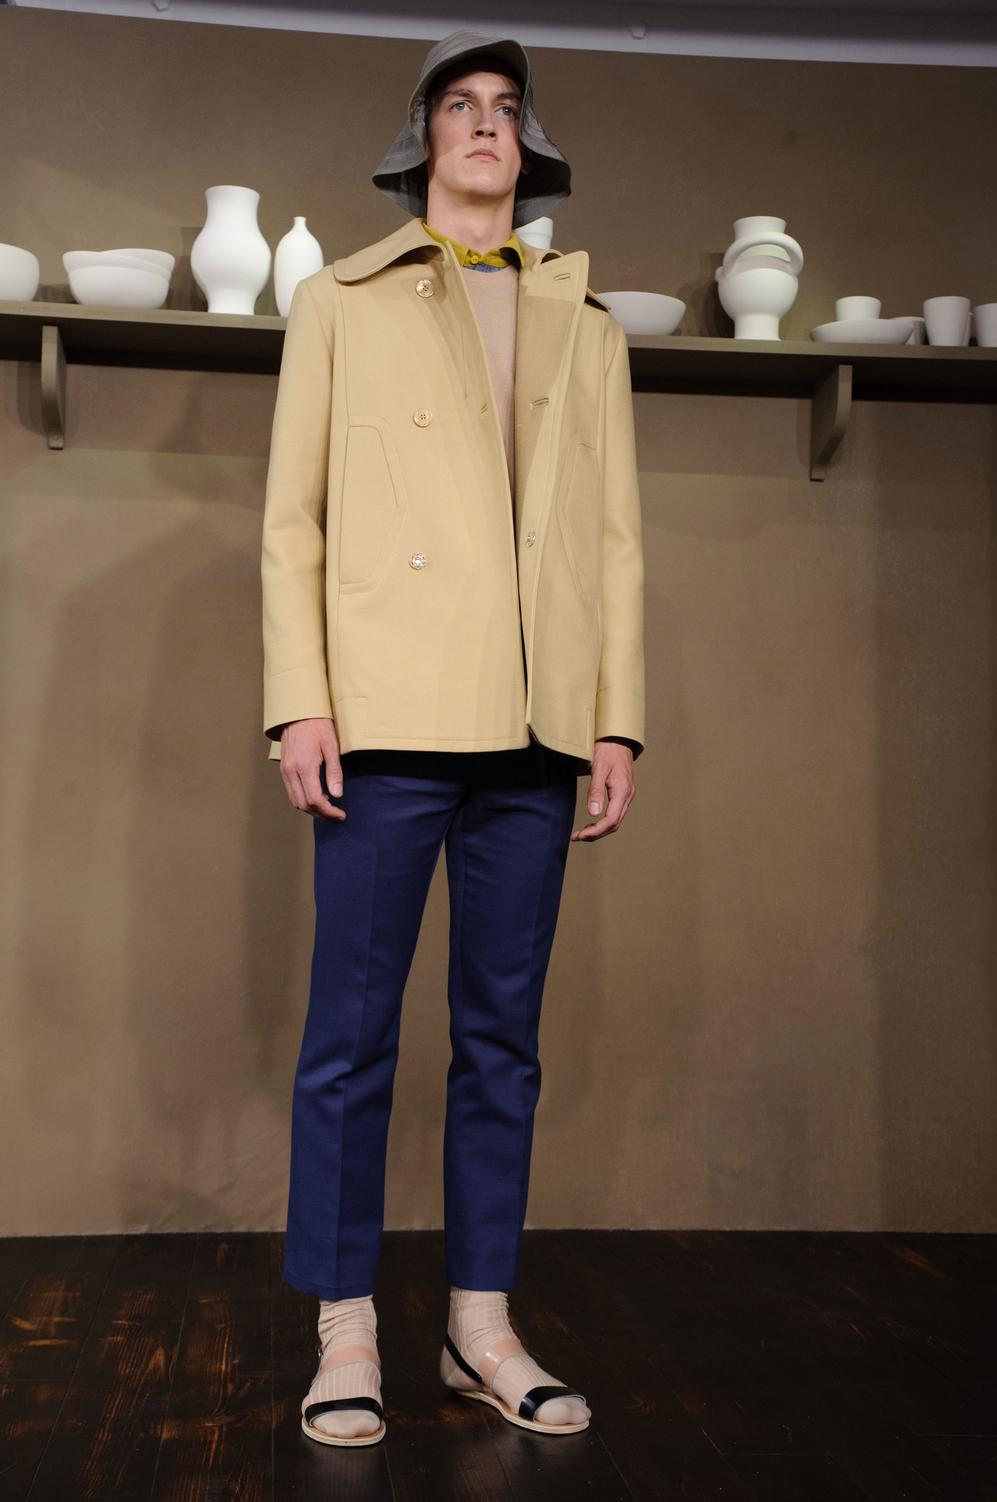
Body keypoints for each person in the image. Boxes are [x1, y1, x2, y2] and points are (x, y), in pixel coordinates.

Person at [260, 29, 645, 1448]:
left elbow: (615, 543)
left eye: (507, 108)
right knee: (350, 1038)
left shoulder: (588, 323)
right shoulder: (339, 302)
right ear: (423, 138)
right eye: (460, 105)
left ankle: (480, 1325)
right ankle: (346, 1329)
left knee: (501, 1042)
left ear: (528, 147)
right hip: (388, 716)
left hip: (537, 727)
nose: (486, 124)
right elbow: (293, 517)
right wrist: (302, 699)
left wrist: (616, 718)